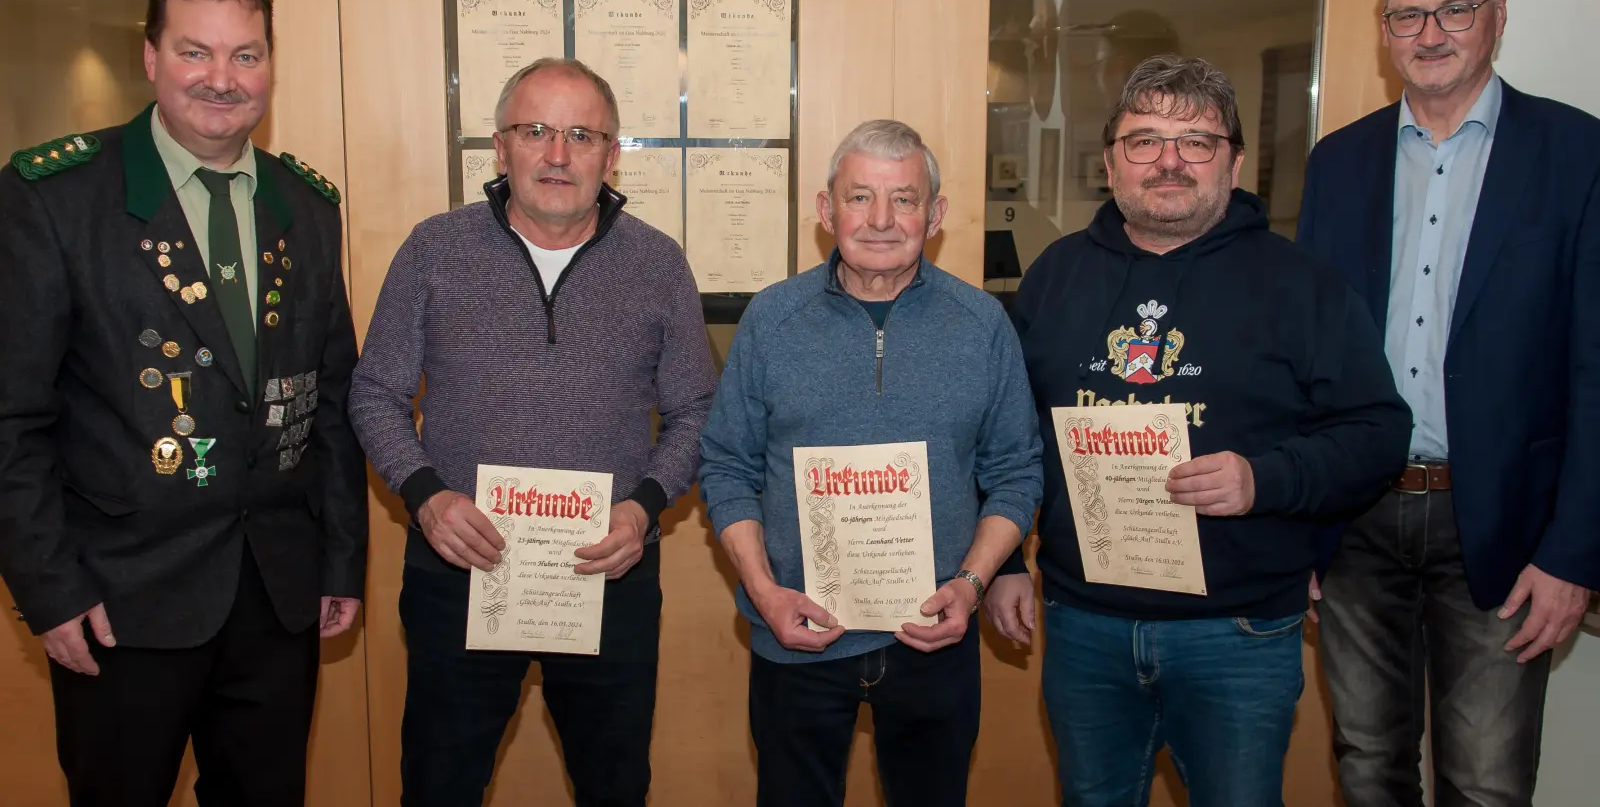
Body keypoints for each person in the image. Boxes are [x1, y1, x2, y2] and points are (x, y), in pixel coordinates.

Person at [985, 55, 1411, 807]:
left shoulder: (1302, 285)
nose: (1170, 161)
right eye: (1145, 140)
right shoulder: (1055, 275)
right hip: (1086, 623)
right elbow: (1007, 437)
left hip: (1238, 630)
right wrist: (1005, 562)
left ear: (1235, 161)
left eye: (1198, 142)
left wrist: (1262, 479)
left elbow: (1377, 431)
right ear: (1112, 160)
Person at [0, 0, 367, 807]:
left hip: (277, 598)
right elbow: (11, 417)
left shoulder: (305, 206)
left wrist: (341, 559)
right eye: (196, 51)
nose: (223, 79)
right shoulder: (55, 198)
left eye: (246, 54)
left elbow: (335, 398)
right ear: (150, 57)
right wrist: (50, 590)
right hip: (118, 603)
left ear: (270, 63)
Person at [349, 56, 716, 807]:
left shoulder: (658, 264)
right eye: (537, 131)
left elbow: (698, 411)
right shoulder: (433, 250)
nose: (557, 155)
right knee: (439, 785)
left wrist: (645, 507)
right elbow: (374, 391)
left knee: (614, 787)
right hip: (460, 574)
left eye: (581, 135)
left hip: (607, 576)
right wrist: (425, 497)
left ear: (612, 157)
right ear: (501, 145)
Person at [1297, 0, 1600, 806]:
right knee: (1366, 766)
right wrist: (1300, 523)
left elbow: (1594, 371)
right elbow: (1309, 363)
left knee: (1487, 783)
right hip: (1357, 518)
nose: (1429, 35)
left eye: (1454, 10)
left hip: (1503, 530)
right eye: (1406, 16)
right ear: (1383, 31)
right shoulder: (1339, 163)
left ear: (1497, 15)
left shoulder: (1577, 157)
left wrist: (1575, 553)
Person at [699, 119, 1043, 807]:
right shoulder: (772, 321)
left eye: (905, 200)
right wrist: (764, 593)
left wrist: (973, 585)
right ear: (827, 212)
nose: (881, 220)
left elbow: (1017, 471)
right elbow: (726, 467)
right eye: (860, 198)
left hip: (933, 638)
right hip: (796, 637)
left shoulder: (981, 326)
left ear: (936, 214)